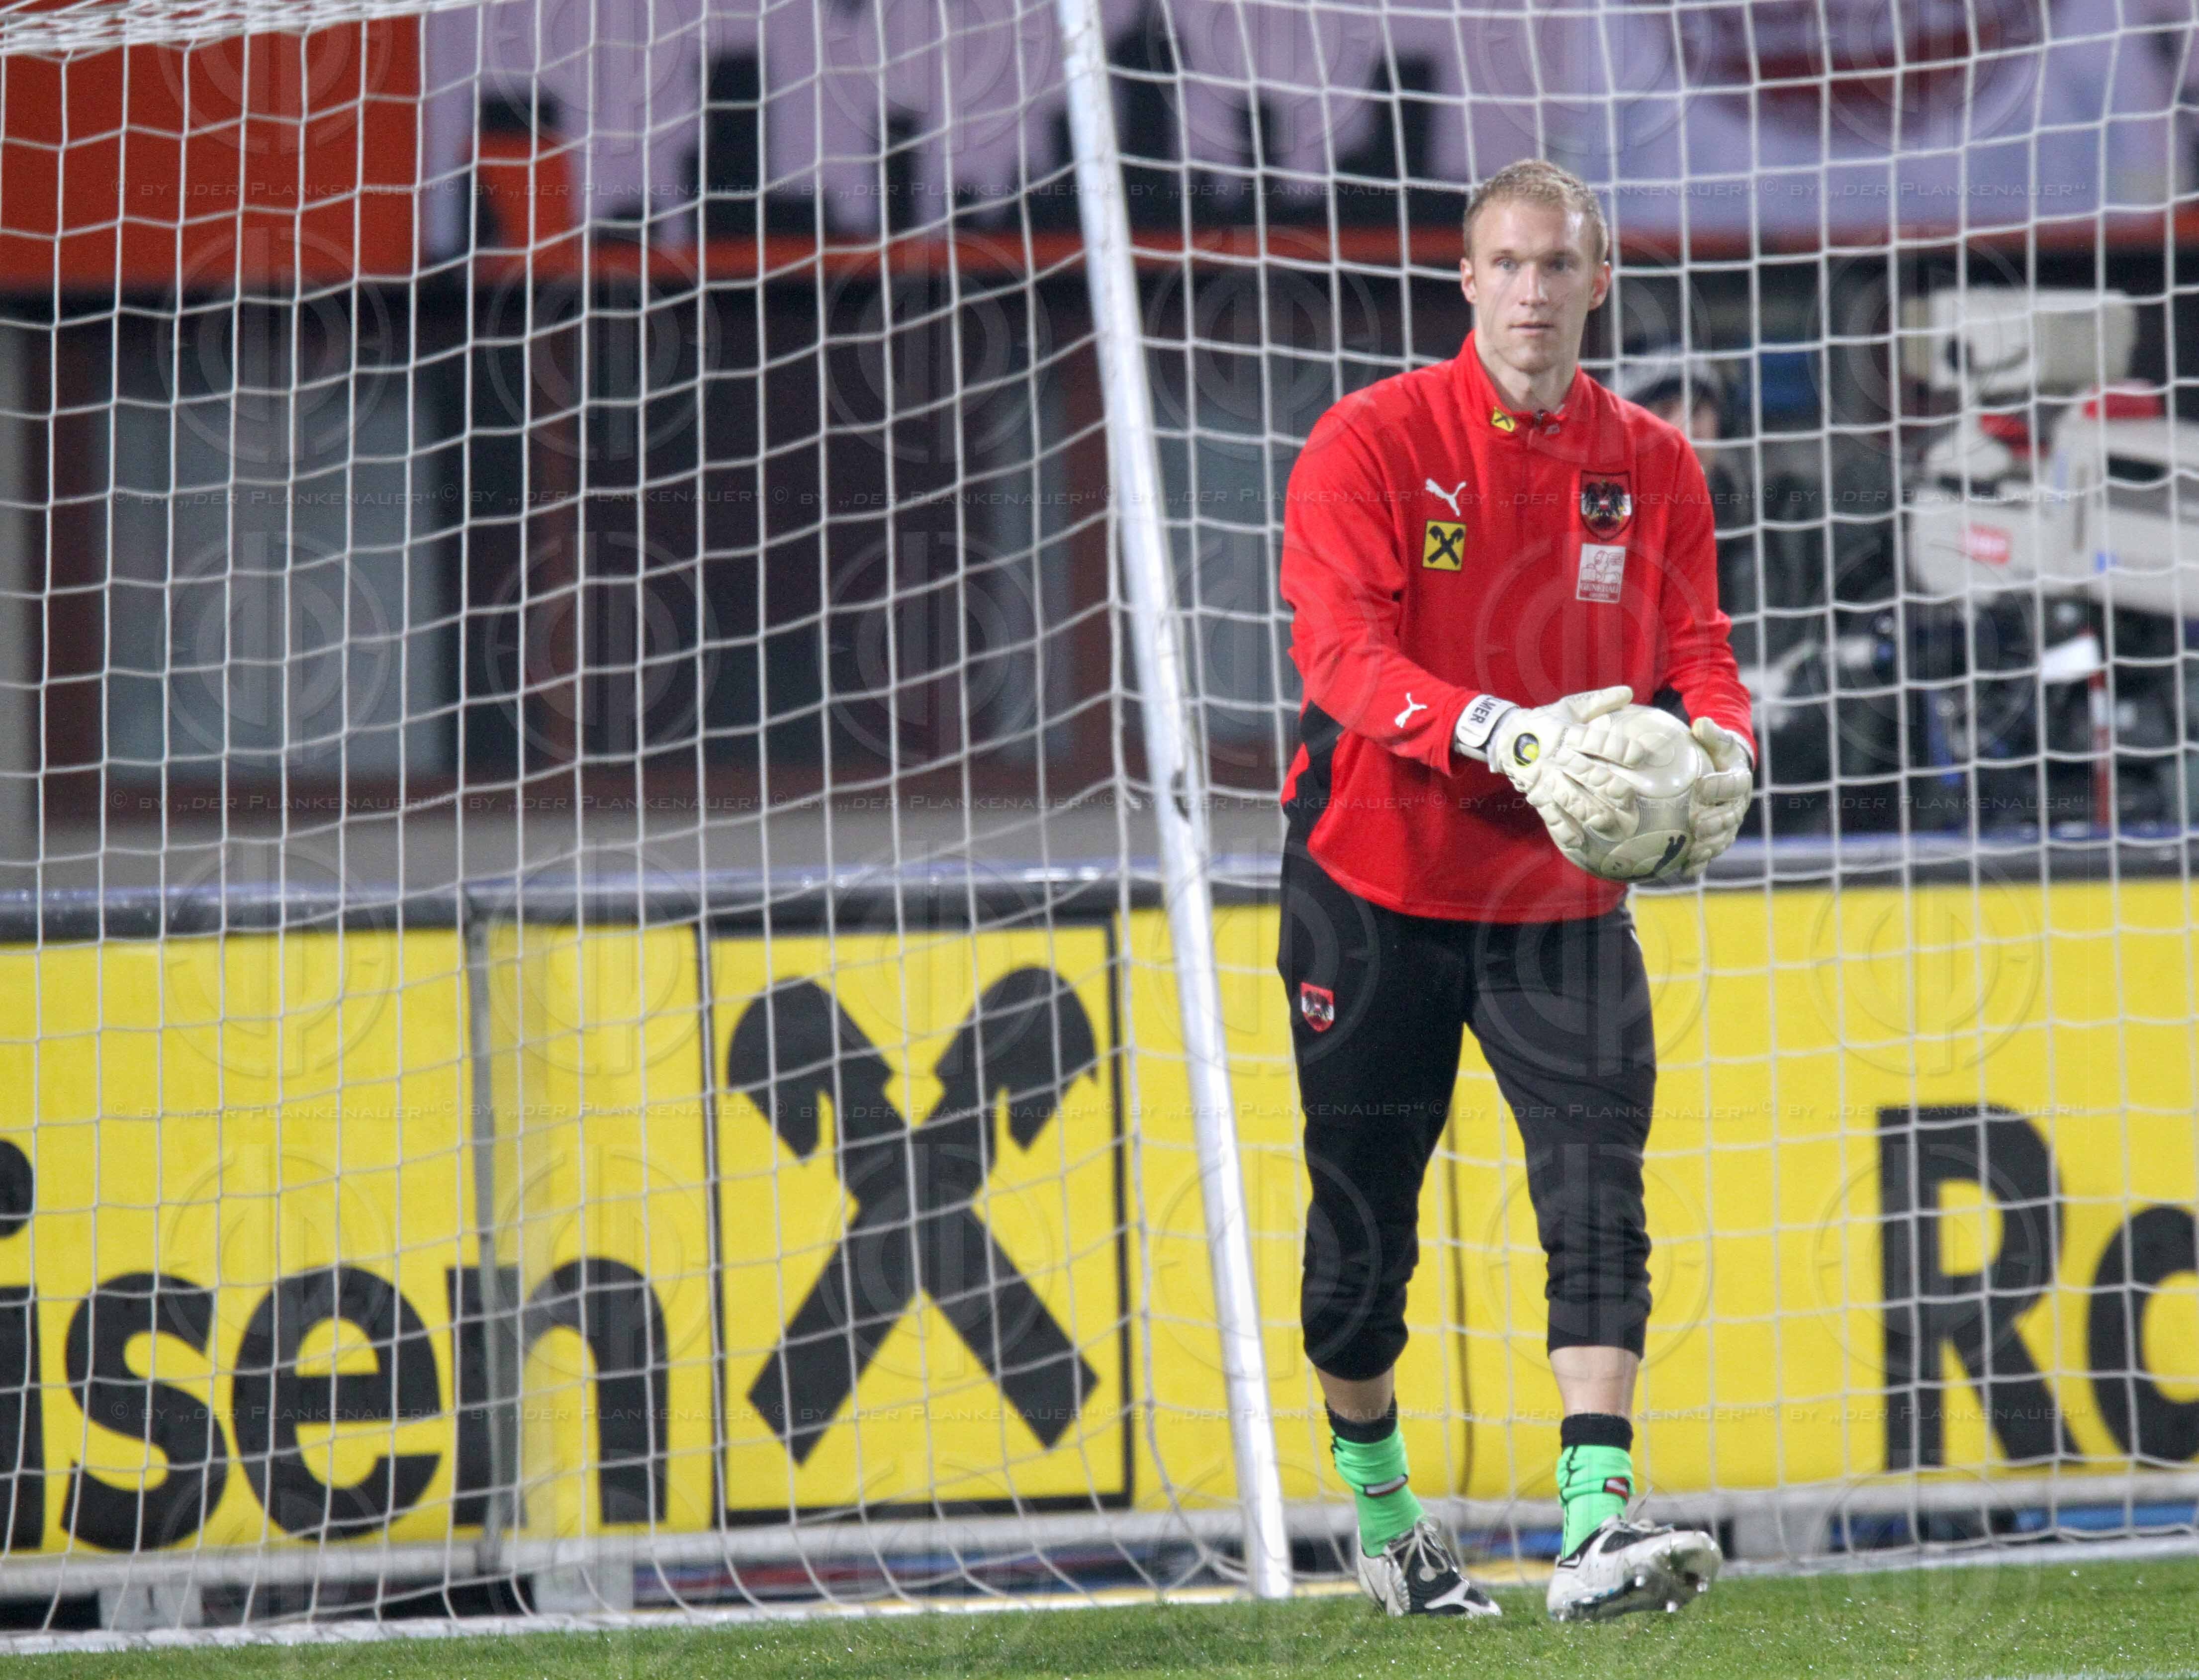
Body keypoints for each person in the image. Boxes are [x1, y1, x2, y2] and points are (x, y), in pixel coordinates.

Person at [1276, 158, 1755, 1621]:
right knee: (1362, 1246)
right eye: (1509, 264)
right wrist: (1505, 728)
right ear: (1466, 279)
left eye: (1561, 265)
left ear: (1598, 282)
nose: (1535, 291)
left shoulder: (1655, 463)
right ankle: (1389, 1517)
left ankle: (1597, 1519)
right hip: (1372, 886)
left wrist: (1726, 740)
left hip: (1559, 900)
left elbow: (1700, 645)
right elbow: (1340, 660)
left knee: (1599, 1195)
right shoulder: (1368, 442)